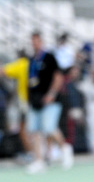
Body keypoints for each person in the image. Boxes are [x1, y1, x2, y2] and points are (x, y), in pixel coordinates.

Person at [25, 31, 73, 174]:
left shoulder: (49, 57)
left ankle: (65, 148)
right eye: (33, 41)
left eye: (37, 41)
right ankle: (39, 160)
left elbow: (58, 77)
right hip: (35, 101)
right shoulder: (31, 60)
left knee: (49, 128)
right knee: (34, 130)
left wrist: (51, 94)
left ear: (41, 42)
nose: (35, 44)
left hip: (50, 101)